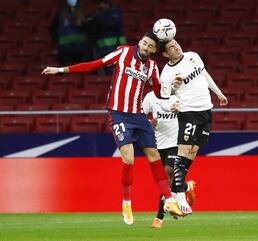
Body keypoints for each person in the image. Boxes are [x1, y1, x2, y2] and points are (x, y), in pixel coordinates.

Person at [41, 31, 183, 225]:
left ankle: (169, 200)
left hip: (139, 116)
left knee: (154, 157)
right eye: (144, 43)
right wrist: (61, 70)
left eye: (150, 46)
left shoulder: (151, 67)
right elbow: (94, 65)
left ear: (154, 50)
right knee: (129, 159)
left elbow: (159, 93)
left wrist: (172, 86)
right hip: (119, 114)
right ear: (139, 42)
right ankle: (126, 201)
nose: (145, 48)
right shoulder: (123, 52)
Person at [158, 39, 228, 216]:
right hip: (188, 112)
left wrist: (218, 93)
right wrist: (174, 92)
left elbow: (205, 75)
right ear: (166, 54)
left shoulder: (193, 56)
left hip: (206, 111)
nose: (177, 47)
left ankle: (173, 193)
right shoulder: (166, 73)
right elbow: (165, 97)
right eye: (172, 47)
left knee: (193, 152)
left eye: (176, 43)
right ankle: (181, 197)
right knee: (183, 151)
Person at [142, 90, 196, 228]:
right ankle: (185, 186)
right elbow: (139, 116)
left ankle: (159, 219)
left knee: (167, 174)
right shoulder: (150, 97)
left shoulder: (179, 96)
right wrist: (148, 122)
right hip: (157, 145)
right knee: (165, 180)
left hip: (176, 143)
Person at [85, 0, 126, 74]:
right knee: (103, 71)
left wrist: (96, 18)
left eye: (103, 3)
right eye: (99, 4)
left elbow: (112, 24)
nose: (101, 6)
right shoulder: (96, 15)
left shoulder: (115, 13)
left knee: (114, 70)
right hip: (100, 50)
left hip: (114, 48)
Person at [49, 0, 90, 65]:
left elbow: (89, 29)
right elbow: (52, 29)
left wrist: (82, 25)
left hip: (81, 50)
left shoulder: (84, 13)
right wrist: (57, 40)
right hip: (65, 50)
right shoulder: (60, 14)